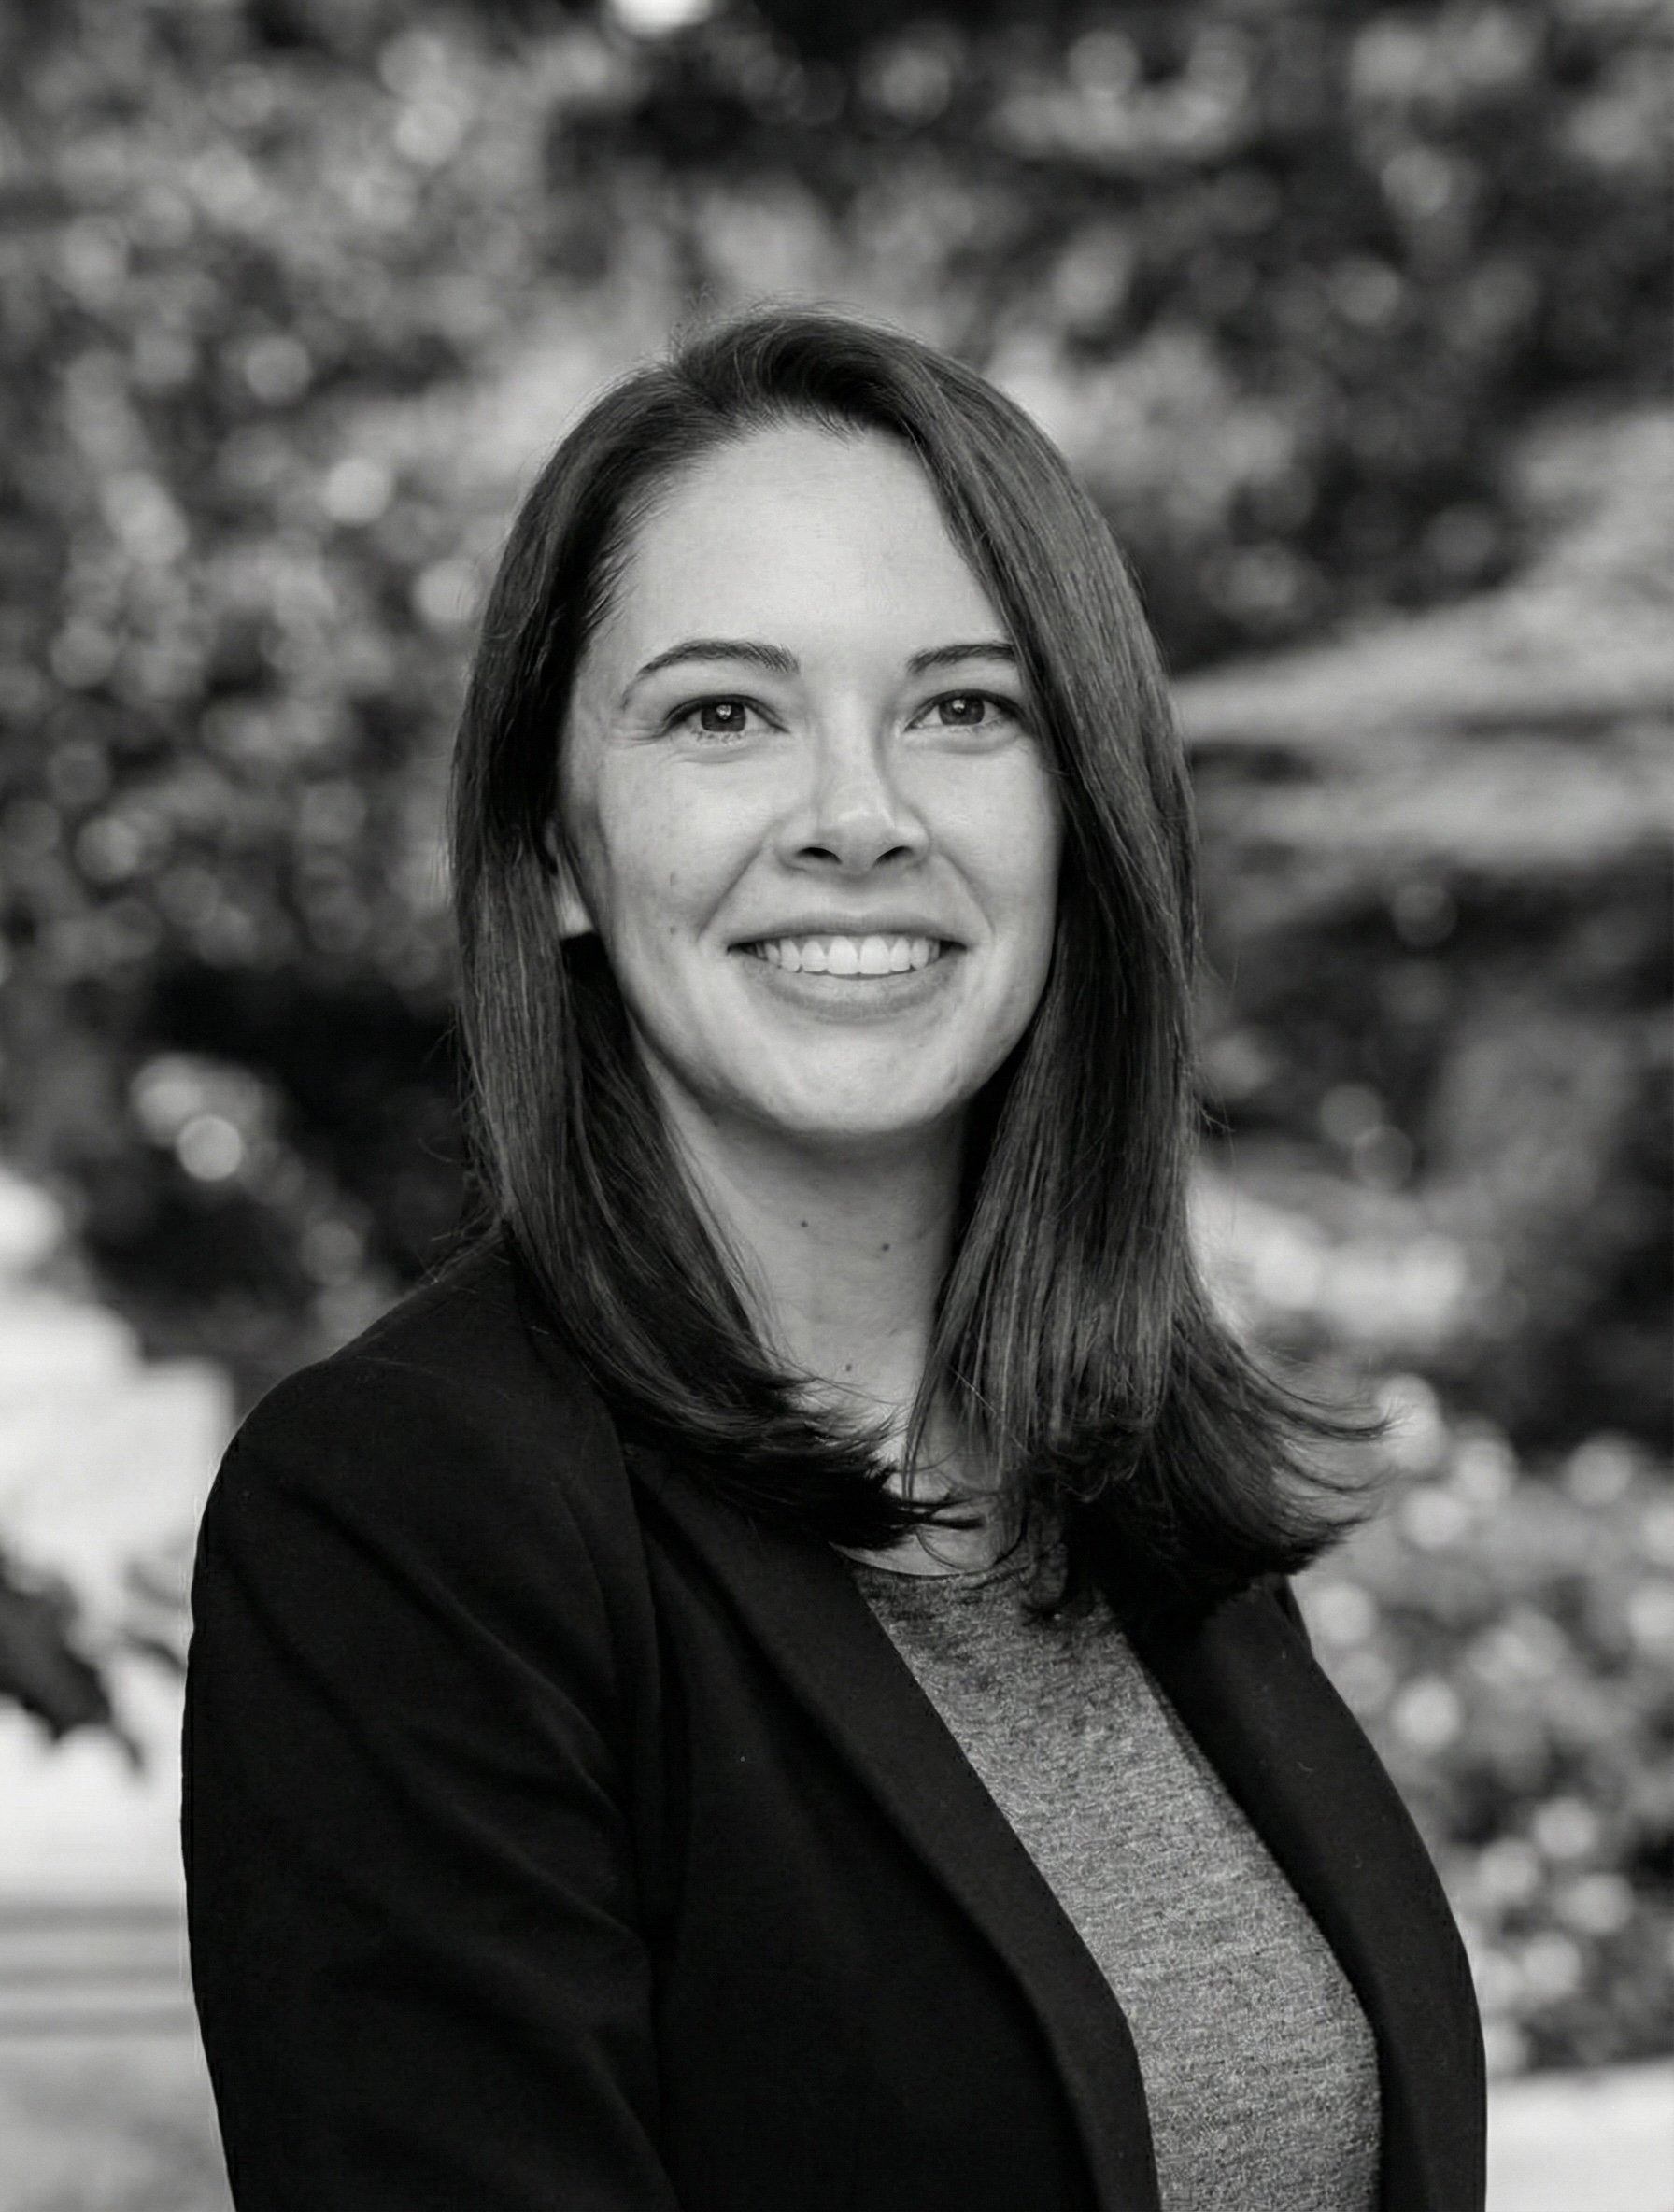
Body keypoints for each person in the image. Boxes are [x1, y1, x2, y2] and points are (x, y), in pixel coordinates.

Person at [183, 308, 1485, 2212]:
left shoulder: (1121, 1504)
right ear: (554, 841)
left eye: (964, 708)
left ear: (1076, 815)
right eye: (723, 712)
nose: (857, 818)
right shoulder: (406, 1521)